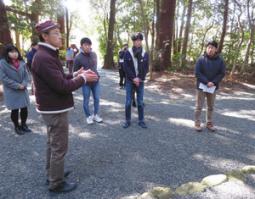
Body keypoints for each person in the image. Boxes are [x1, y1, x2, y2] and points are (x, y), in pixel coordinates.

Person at [31, 20, 98, 193]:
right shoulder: (44, 57)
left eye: (59, 32)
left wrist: (76, 73)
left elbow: (59, 76)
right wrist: (83, 79)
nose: (60, 36)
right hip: (54, 108)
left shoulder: (47, 54)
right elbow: (61, 86)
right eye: (55, 33)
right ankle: (56, 183)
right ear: (44, 36)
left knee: (52, 143)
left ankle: (52, 174)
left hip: (52, 107)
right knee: (59, 146)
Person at [194, 40, 225, 132]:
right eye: (208, 47)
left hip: (213, 87)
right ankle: (197, 123)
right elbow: (197, 73)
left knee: (210, 106)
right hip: (201, 87)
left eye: (212, 48)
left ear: (216, 49)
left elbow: (222, 73)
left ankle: (209, 123)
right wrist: (206, 82)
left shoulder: (220, 61)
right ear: (206, 48)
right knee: (199, 106)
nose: (210, 49)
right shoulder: (201, 59)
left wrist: (214, 82)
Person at [0, 44, 31, 135]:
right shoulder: (2, 63)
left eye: (15, 51)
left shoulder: (22, 62)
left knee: (24, 108)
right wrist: (17, 85)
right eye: (12, 52)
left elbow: (26, 75)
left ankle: (24, 125)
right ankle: (16, 126)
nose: (14, 54)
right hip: (12, 90)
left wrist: (24, 84)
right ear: (7, 53)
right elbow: (3, 78)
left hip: (23, 89)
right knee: (15, 110)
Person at [73, 37, 103, 125]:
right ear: (81, 46)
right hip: (85, 83)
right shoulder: (78, 57)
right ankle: (88, 116)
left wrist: (97, 75)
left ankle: (95, 115)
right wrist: (82, 75)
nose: (88, 47)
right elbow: (75, 72)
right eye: (85, 45)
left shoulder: (94, 54)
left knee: (97, 99)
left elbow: (95, 67)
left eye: (89, 45)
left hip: (96, 81)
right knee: (86, 100)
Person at [122, 32, 149, 129]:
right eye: (136, 40)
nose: (138, 42)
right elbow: (125, 67)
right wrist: (133, 78)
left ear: (141, 41)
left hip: (140, 81)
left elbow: (146, 68)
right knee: (128, 102)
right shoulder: (127, 52)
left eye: (139, 40)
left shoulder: (144, 53)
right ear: (133, 42)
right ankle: (127, 120)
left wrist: (139, 78)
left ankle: (141, 120)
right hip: (130, 80)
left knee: (140, 102)